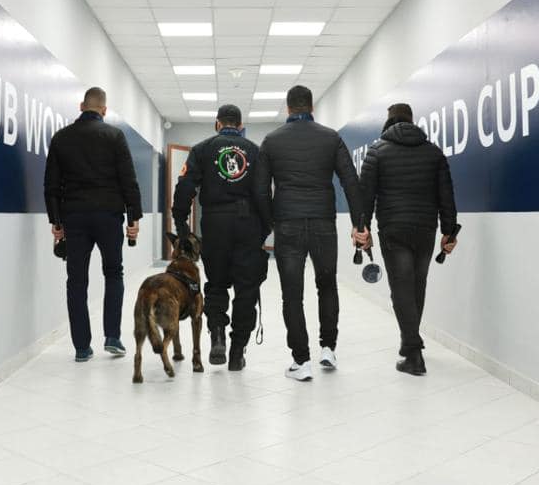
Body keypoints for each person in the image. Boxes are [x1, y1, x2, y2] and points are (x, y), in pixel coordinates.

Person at [254, 85, 369, 382]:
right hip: (323, 223)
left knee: (292, 294)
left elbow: (260, 189)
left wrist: (270, 223)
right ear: (312, 106)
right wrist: (360, 223)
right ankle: (328, 347)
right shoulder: (331, 138)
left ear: (288, 108)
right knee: (327, 285)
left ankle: (301, 361)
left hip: (288, 223)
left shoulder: (271, 141)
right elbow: (350, 181)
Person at [44, 87, 142, 362]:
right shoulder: (114, 136)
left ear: (80, 106)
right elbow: (128, 181)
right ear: (104, 110)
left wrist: (56, 222)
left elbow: (51, 185)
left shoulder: (61, 138)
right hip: (109, 216)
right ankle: (112, 336)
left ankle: (81, 347)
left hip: (74, 216)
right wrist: (133, 219)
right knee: (114, 273)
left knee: (76, 281)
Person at [359, 103, 457, 376]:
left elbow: (365, 195)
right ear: (413, 121)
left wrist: (361, 228)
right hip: (425, 228)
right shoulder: (433, 152)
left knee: (401, 288)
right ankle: (410, 344)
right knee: (417, 286)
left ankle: (413, 350)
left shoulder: (377, 151)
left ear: (388, 122)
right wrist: (449, 231)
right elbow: (446, 195)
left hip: (393, 229)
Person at [172, 104, 268, 371]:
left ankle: (217, 336)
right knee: (246, 288)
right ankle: (237, 352)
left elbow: (185, 187)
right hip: (248, 223)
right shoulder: (255, 151)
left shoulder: (202, 149)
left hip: (214, 223)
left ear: (217, 124)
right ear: (240, 125)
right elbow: (263, 194)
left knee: (216, 284)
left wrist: (181, 222)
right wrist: (264, 229)